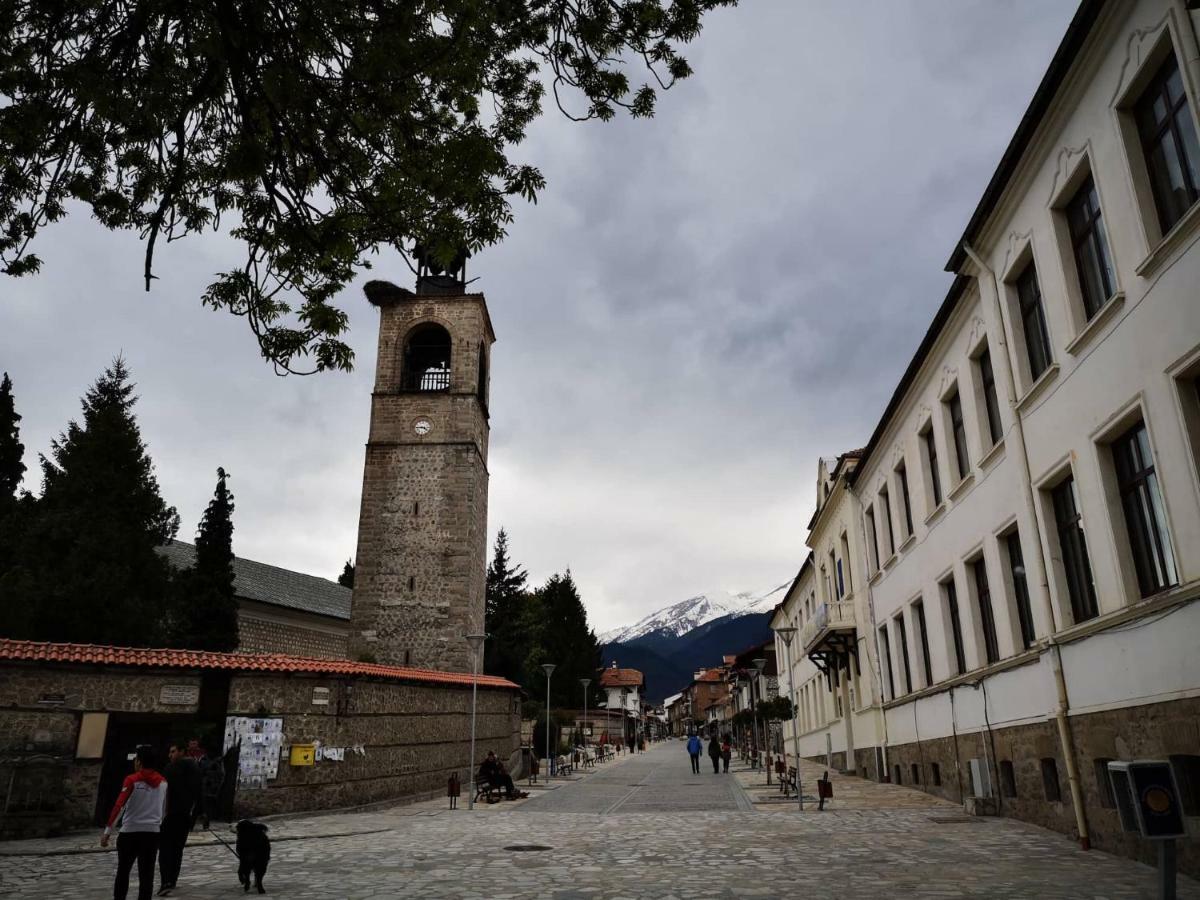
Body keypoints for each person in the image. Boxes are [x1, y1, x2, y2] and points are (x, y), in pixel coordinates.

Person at [102, 745, 167, 900]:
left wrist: (107, 832)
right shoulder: (163, 783)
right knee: (147, 875)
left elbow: (119, 806)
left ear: (139, 762)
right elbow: (164, 809)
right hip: (152, 833)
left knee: (123, 872)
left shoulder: (132, 780)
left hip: (130, 832)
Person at [158, 740, 201, 895]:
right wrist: (195, 815)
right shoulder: (195, 768)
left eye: (173, 751)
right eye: (170, 752)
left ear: (182, 752)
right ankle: (172, 879)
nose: (170, 755)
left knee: (166, 849)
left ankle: (166, 881)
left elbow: (163, 793)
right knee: (177, 849)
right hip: (184, 815)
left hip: (171, 815)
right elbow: (198, 793)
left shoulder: (170, 769)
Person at [197, 741, 225, 829]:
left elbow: (221, 773)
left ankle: (207, 819)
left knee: (209, 804)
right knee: (204, 803)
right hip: (205, 785)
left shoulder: (218, 761)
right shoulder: (203, 759)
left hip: (213, 786)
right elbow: (200, 771)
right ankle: (204, 818)